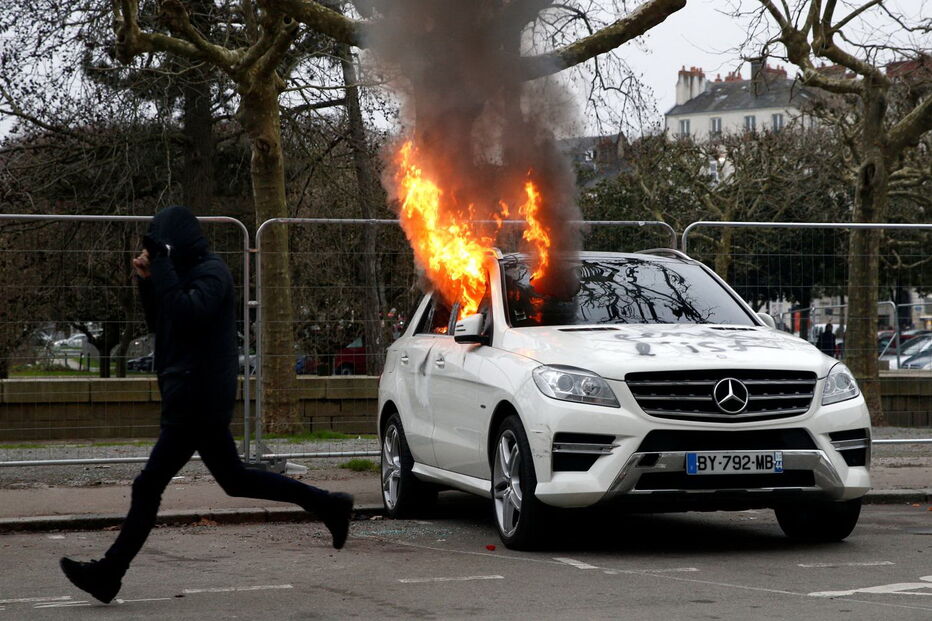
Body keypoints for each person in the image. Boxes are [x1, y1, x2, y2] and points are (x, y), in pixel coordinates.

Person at [60, 206, 353, 604]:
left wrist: (161, 268)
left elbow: (187, 314)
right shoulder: (180, 274)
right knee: (235, 480)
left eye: (159, 246)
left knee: (149, 485)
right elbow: (161, 322)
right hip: (189, 396)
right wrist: (147, 281)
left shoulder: (213, 274)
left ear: (175, 243)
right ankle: (330, 505)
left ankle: (109, 573)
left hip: (198, 400)